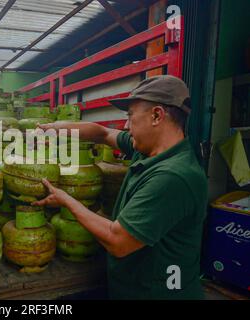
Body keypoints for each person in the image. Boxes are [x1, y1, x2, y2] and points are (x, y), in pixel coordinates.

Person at [34, 75, 208, 300]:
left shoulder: (173, 176)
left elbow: (117, 241)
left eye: (130, 116)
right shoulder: (147, 150)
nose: (126, 125)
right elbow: (102, 133)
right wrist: (53, 129)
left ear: (157, 115)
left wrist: (66, 199)